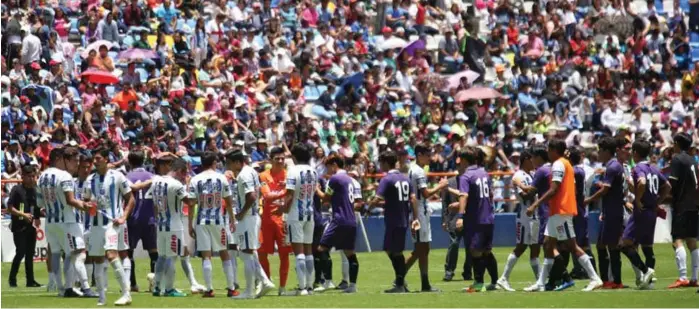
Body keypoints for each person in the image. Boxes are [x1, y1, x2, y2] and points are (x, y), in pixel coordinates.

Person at [524, 139, 603, 292]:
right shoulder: (565, 164)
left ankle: (595, 278)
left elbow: (554, 189)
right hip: (557, 211)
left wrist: (535, 204)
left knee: (572, 246)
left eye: (548, 150)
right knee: (548, 245)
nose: (547, 153)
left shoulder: (559, 164)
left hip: (561, 210)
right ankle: (541, 283)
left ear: (554, 150)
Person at [38, 147, 96, 298]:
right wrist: (84, 205)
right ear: (61, 159)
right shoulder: (64, 176)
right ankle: (85, 287)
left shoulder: (42, 176)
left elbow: (39, 203)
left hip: (50, 222)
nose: (77, 164)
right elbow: (70, 200)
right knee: (78, 253)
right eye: (74, 161)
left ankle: (63, 288)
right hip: (68, 221)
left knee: (57, 254)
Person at [83, 147, 137, 305]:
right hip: (95, 225)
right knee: (98, 260)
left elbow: (131, 199)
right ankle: (102, 297)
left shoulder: (117, 176)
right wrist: (88, 205)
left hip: (112, 224)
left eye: (99, 158)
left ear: (107, 159)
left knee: (112, 255)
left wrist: (123, 217)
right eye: (95, 158)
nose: (95, 161)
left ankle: (126, 293)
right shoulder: (90, 179)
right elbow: (86, 201)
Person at [186, 151, 238, 298]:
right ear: (214, 163)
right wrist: (232, 220)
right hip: (218, 220)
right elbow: (228, 201)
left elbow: (190, 203)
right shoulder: (222, 178)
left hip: (201, 221)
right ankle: (231, 288)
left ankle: (209, 290)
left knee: (206, 255)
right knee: (224, 253)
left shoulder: (196, 180)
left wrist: (190, 224)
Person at [226, 149, 276, 299]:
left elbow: (252, 196)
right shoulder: (251, 172)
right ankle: (265, 281)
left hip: (248, 218)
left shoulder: (244, 174)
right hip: (252, 216)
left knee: (246, 254)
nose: (229, 166)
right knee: (249, 252)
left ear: (236, 162)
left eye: (229, 163)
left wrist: (241, 213)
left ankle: (248, 291)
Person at [623, 139, 671, 288]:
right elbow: (667, 186)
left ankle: (646, 271)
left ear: (635, 153)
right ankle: (649, 282)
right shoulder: (654, 168)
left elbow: (642, 183)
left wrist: (637, 200)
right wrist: (658, 201)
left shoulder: (638, 168)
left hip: (641, 211)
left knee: (624, 244)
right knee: (647, 247)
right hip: (652, 211)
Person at [369, 151, 418, 293]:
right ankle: (401, 280)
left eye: (380, 163)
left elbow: (377, 198)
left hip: (393, 220)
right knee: (392, 250)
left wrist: (369, 208)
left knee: (395, 252)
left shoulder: (387, 179)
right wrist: (415, 218)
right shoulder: (405, 178)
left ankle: (400, 284)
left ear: (385, 163)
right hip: (403, 218)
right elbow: (412, 199)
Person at [584, 137, 626, 289]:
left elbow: (606, 190)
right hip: (609, 211)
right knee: (601, 245)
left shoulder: (612, 167)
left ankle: (616, 281)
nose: (598, 153)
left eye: (600, 150)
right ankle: (607, 280)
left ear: (607, 151)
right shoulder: (613, 166)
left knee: (611, 246)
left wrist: (588, 200)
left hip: (613, 212)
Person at [405, 144, 448, 292]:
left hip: (420, 211)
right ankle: (399, 278)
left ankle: (424, 283)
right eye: (427, 155)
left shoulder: (412, 169)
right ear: (420, 155)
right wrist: (440, 185)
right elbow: (425, 193)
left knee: (424, 248)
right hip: (419, 212)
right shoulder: (419, 172)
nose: (430, 158)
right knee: (420, 249)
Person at [497, 150, 540, 291]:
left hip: (535, 216)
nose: (534, 162)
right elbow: (526, 196)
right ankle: (503, 278)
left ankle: (539, 281)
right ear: (526, 159)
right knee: (521, 246)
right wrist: (538, 188)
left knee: (535, 249)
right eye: (532, 159)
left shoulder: (533, 174)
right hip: (525, 216)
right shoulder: (518, 175)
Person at [316, 156, 360, 293]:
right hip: (351, 220)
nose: (327, 170)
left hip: (339, 219)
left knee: (321, 248)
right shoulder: (350, 179)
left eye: (328, 166)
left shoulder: (335, 179)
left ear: (334, 165)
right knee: (350, 253)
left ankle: (327, 281)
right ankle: (352, 286)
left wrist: (316, 189)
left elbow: (326, 199)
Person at [456, 147, 496, 292]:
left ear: (465, 160)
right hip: (488, 217)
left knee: (474, 251)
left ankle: (479, 283)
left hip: (476, 218)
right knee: (486, 250)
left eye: (460, 159)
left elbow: (464, 196)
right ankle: (495, 281)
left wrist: (460, 216)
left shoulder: (466, 176)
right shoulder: (484, 173)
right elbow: (489, 194)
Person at [149, 158, 190, 297]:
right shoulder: (176, 184)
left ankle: (157, 287)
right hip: (174, 225)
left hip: (160, 224)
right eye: (184, 173)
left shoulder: (156, 182)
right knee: (171, 257)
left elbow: (154, 205)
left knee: (161, 257)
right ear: (179, 171)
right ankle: (169, 289)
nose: (184, 176)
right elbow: (189, 201)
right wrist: (188, 186)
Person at [282, 143, 319, 295]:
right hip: (309, 213)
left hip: (295, 214)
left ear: (295, 156)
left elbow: (289, 194)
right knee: (309, 249)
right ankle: (310, 286)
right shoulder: (314, 171)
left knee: (299, 251)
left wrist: (283, 210)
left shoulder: (293, 171)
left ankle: (302, 287)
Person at [666, 132, 699, 288]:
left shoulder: (677, 159)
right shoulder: (693, 160)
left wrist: (663, 198)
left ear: (677, 144)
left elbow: (672, 184)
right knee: (692, 241)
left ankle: (683, 277)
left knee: (677, 240)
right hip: (694, 205)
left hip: (681, 205)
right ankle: (694, 278)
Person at [258, 147, 291, 296]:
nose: (280, 161)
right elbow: (267, 197)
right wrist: (287, 191)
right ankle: (267, 281)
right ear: (271, 160)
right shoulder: (263, 176)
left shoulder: (289, 175)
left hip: (283, 219)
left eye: (282, 158)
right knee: (262, 252)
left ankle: (282, 287)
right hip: (266, 219)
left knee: (284, 254)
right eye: (277, 158)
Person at [125, 151, 157, 292]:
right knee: (153, 252)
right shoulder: (152, 177)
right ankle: (155, 284)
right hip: (150, 218)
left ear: (130, 162)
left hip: (133, 219)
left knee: (129, 252)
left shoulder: (127, 177)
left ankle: (132, 285)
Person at [7, 164, 42, 288]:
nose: (32, 179)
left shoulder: (35, 190)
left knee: (29, 254)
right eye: (29, 176)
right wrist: (23, 214)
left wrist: (37, 217)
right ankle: (12, 278)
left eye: (34, 176)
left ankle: (30, 280)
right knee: (20, 252)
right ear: (23, 177)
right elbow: (10, 207)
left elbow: (36, 206)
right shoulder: (17, 189)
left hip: (30, 226)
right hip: (18, 226)